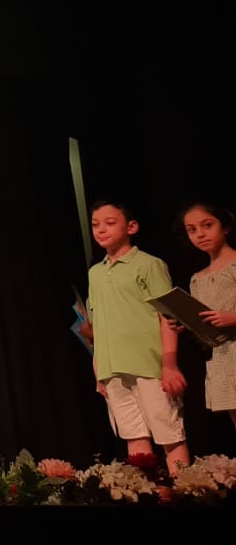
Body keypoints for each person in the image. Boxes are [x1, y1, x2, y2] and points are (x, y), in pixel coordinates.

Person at [86, 199, 189, 473]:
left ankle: (187, 490)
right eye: (95, 225)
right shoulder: (95, 273)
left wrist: (169, 364)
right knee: (134, 437)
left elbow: (167, 316)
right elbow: (98, 324)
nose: (101, 230)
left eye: (110, 223)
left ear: (131, 227)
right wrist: (98, 368)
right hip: (112, 369)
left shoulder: (148, 264)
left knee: (169, 435)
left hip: (148, 364)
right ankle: (151, 492)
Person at [182, 201, 236, 428]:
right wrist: (186, 324)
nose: (200, 234)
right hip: (223, 358)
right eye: (192, 230)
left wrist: (233, 318)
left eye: (207, 225)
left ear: (225, 226)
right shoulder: (197, 279)